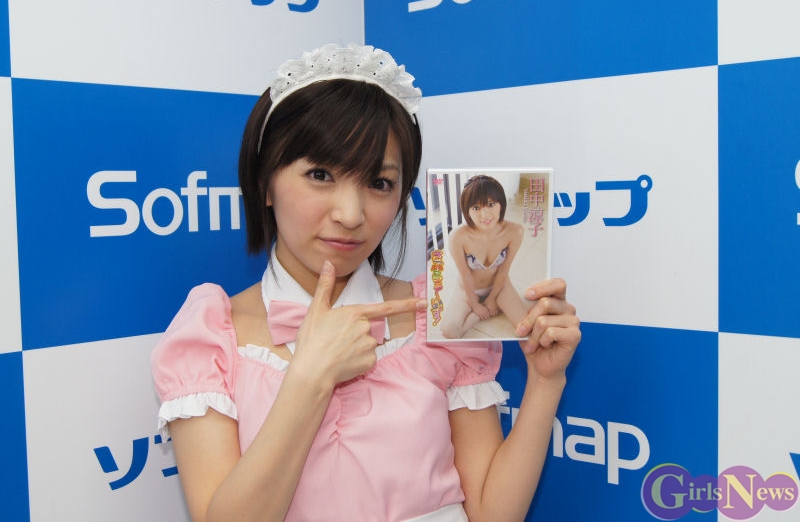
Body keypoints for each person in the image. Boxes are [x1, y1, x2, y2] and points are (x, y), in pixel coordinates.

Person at [151, 44, 581, 522]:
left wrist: (545, 382)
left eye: (379, 183)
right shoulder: (213, 339)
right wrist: (310, 378)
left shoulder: (435, 315)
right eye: (320, 174)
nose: (351, 214)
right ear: (264, 182)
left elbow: (492, 514)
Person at [439, 175, 528, 340]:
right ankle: (476, 317)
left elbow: (504, 270)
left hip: (499, 285)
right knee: (449, 331)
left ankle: (497, 303)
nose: (484, 215)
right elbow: (465, 274)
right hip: (469, 289)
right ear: (467, 210)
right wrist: (475, 306)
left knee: (525, 327)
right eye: (476, 208)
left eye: (491, 204)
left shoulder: (514, 231)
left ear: (501, 204)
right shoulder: (458, 237)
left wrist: (493, 298)